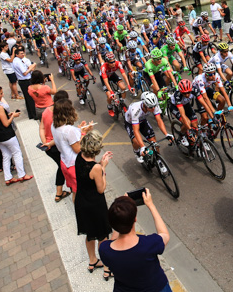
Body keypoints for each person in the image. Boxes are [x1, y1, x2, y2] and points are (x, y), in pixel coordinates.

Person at [99, 190, 170, 290]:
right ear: (135, 219)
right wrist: (151, 205)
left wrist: (120, 211)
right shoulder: (149, 244)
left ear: (112, 223)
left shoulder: (105, 250)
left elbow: (113, 241)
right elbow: (165, 234)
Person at [75, 130, 113, 279]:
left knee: (89, 234)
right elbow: (101, 188)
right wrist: (103, 167)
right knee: (103, 237)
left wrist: (100, 164)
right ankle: (106, 267)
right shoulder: (95, 168)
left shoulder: (79, 157)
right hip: (95, 205)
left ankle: (92, 260)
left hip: (81, 202)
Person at [0, 86, 33, 185]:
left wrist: (8, 115)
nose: (2, 95)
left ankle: (8, 177)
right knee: (17, 153)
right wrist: (13, 116)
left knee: (6, 156)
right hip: (7, 135)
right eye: (0, 93)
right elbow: (6, 123)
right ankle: (22, 175)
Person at [51, 98, 95, 196]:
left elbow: (65, 140)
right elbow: (78, 149)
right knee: (81, 194)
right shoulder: (69, 130)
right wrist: (84, 132)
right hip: (74, 165)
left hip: (64, 163)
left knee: (75, 192)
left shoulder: (53, 125)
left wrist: (78, 130)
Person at [39, 90, 71, 202]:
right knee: (65, 168)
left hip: (49, 148)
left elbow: (42, 128)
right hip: (57, 147)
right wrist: (49, 143)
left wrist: (45, 142)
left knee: (61, 167)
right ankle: (62, 191)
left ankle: (59, 193)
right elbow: (59, 136)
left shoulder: (46, 111)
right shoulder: (60, 116)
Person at [12, 47, 38, 119]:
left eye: (23, 53)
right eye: (21, 53)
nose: (23, 54)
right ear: (17, 54)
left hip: (22, 81)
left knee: (27, 98)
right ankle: (34, 114)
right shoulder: (18, 62)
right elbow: (25, 73)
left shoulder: (16, 60)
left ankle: (31, 114)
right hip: (25, 81)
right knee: (30, 98)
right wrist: (32, 66)